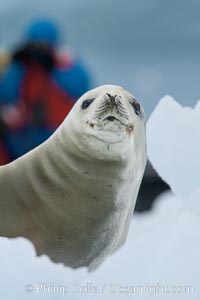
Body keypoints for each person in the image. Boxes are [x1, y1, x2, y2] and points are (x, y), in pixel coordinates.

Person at [0, 19, 91, 163]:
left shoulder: (64, 67)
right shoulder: (20, 67)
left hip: (58, 137)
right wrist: (15, 62)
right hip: (23, 137)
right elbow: (6, 94)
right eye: (35, 46)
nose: (39, 51)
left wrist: (63, 64)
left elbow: (81, 86)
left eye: (44, 47)